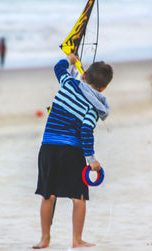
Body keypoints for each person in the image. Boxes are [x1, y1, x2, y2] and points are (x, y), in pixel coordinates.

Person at [33, 54, 113, 249]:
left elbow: (58, 68)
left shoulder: (68, 83)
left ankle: (44, 239)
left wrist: (70, 59)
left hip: (48, 148)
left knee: (47, 195)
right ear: (103, 88)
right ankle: (76, 240)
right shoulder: (94, 107)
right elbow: (86, 130)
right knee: (78, 198)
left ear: (84, 76)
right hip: (72, 152)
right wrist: (91, 159)